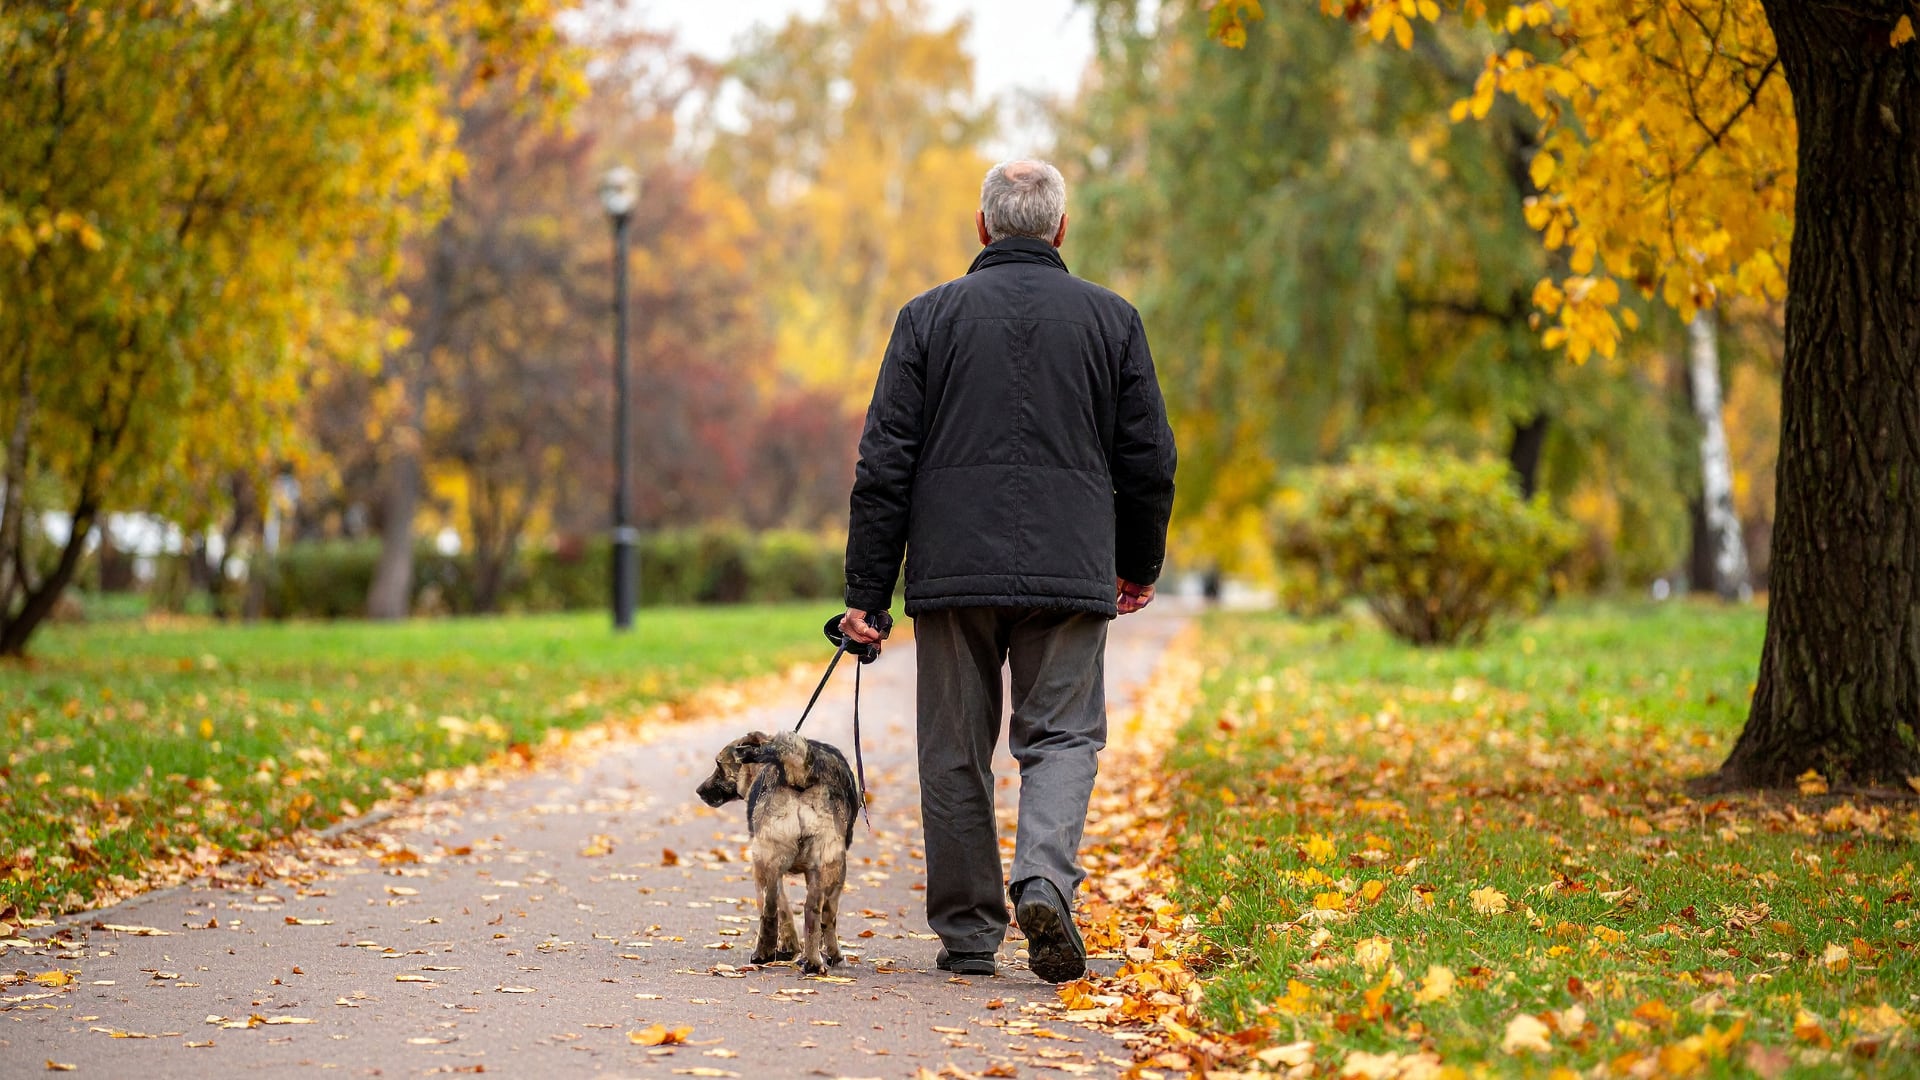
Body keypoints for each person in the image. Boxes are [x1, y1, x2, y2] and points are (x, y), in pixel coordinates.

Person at [838, 159, 1177, 983]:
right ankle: (1044, 882)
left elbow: (885, 462)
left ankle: (967, 933)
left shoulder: (926, 318)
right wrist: (1136, 562)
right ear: (1059, 229)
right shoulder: (1112, 320)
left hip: (953, 571)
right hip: (1070, 568)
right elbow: (1149, 457)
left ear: (984, 228)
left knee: (953, 747)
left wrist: (866, 598)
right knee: (1061, 737)